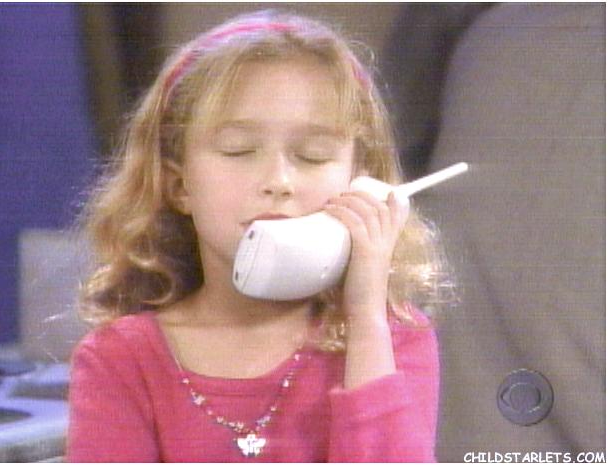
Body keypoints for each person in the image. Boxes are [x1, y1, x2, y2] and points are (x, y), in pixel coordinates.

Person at [67, 11, 444, 462]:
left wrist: (366, 319)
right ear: (179, 185)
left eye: (312, 155)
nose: (278, 181)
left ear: (360, 182)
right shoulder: (120, 359)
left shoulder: (393, 341)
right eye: (239, 151)